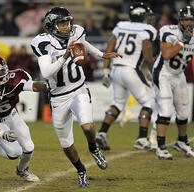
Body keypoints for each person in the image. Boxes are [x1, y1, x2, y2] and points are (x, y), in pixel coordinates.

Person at [31, 7, 121, 188]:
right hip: (57, 97)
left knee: (87, 126)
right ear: (51, 25)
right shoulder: (43, 42)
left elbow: (83, 43)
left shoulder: (77, 32)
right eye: (62, 24)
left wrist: (102, 54)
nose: (66, 27)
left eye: (67, 23)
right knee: (66, 144)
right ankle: (81, 170)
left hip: (78, 89)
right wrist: (64, 56)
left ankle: (93, 148)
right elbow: (46, 72)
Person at [0, 55, 47, 181]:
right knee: (14, 153)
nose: (0, 75)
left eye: (1, 71)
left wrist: (47, 86)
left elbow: (33, 86)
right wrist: (1, 133)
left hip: (12, 115)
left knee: (29, 147)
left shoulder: (16, 77)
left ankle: (22, 170)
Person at [96, 2, 156, 151]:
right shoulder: (147, 29)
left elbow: (110, 47)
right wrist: (152, 70)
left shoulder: (121, 25)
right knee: (149, 102)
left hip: (116, 68)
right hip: (131, 69)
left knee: (117, 103)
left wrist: (105, 70)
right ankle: (142, 139)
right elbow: (147, 55)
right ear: (142, 16)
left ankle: (102, 132)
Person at [152, 6, 194, 160]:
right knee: (165, 110)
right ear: (180, 20)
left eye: (191, 19)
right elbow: (167, 54)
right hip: (164, 73)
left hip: (179, 74)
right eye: (186, 19)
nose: (189, 22)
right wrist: (183, 42)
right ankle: (161, 147)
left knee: (184, 112)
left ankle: (182, 141)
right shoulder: (169, 31)